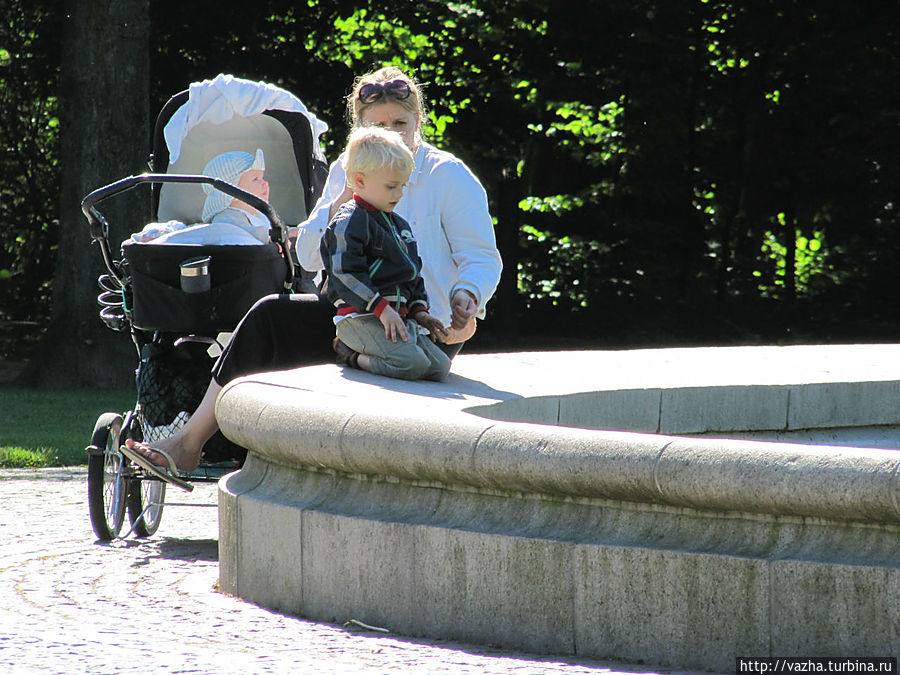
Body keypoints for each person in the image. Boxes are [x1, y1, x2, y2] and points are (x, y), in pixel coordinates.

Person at [123, 65, 502, 479]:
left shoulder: (447, 175)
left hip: (417, 328)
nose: (390, 134)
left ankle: (258, 464)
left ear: (419, 123)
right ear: (359, 128)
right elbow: (306, 254)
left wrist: (468, 295)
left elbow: (481, 257)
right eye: (376, 125)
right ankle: (189, 444)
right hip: (352, 319)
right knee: (269, 314)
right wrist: (343, 198)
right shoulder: (346, 169)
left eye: (400, 124)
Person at [321, 126, 450, 381]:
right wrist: (379, 307)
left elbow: (412, 274)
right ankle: (351, 354)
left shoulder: (399, 226)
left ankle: (389, 348)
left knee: (439, 367)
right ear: (360, 181)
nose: (400, 194)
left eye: (402, 186)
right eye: (392, 186)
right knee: (411, 365)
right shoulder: (349, 221)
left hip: (396, 317)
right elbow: (344, 274)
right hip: (361, 317)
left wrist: (420, 311)